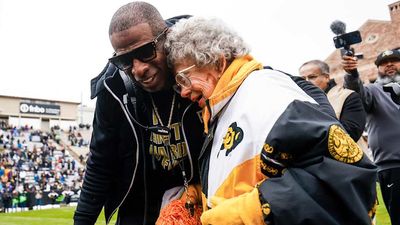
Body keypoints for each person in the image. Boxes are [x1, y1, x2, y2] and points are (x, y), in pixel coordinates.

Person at [165, 16, 377, 225]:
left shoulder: (267, 93)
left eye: (184, 78)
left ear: (218, 62)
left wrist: (238, 216)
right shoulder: (225, 108)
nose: (183, 92)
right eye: (177, 84)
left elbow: (344, 180)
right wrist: (198, 196)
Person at [73, 2, 204, 225]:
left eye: (145, 51)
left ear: (167, 38)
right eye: (124, 60)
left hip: (199, 205)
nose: (138, 69)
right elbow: (100, 162)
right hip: (138, 211)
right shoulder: (113, 89)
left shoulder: (201, 65)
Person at [342, 49, 400, 225]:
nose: (389, 64)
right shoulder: (372, 91)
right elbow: (356, 91)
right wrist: (351, 73)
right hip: (393, 168)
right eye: (383, 63)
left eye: (394, 61)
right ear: (378, 70)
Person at [299, 60, 366, 141]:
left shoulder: (347, 96)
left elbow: (351, 134)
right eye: (302, 79)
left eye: (312, 77)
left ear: (327, 77)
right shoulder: (299, 103)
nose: (306, 82)